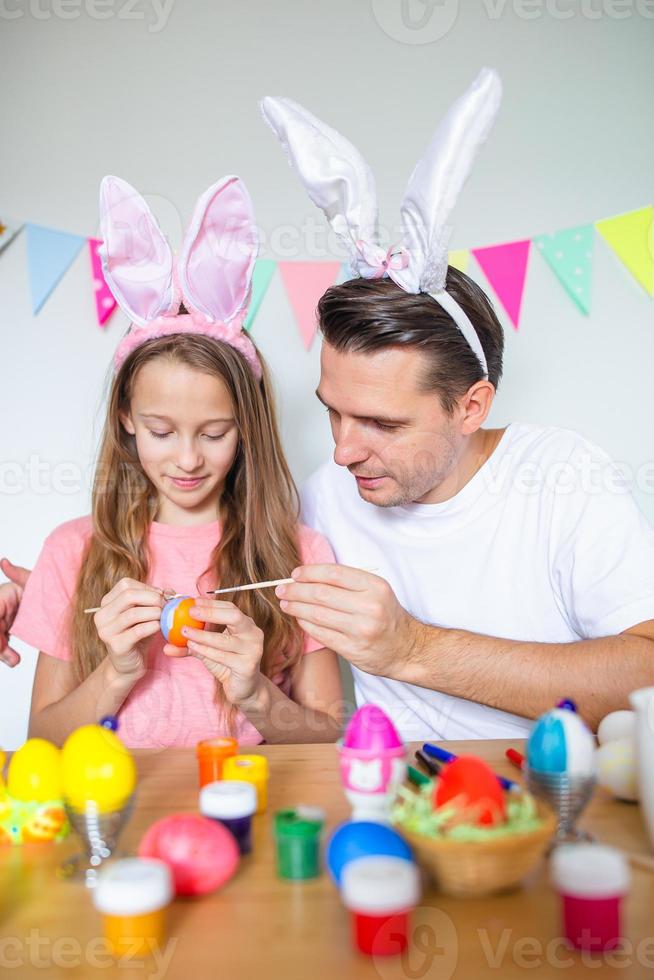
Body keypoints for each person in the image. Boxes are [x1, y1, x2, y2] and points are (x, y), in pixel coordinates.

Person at [259, 71, 654, 739]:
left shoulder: (564, 477)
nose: (342, 451)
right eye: (333, 409)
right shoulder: (327, 496)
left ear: (471, 406)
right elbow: (203, 571)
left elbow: (646, 676)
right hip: (395, 808)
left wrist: (411, 649)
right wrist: (44, 596)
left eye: (383, 423)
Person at [7, 174, 343, 747]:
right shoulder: (72, 552)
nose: (187, 459)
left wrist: (254, 693)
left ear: (247, 428)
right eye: (162, 431)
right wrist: (117, 672)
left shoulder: (299, 555)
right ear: (127, 420)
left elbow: (328, 734)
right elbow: (42, 738)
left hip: (250, 808)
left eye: (215, 433)